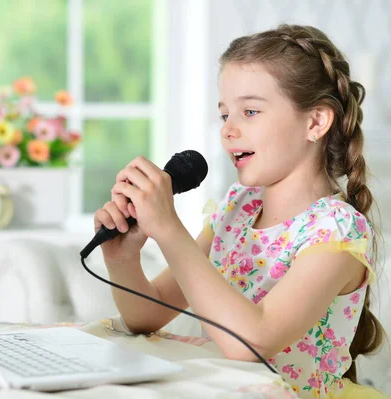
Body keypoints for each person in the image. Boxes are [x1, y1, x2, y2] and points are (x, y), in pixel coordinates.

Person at [94, 24, 388, 399]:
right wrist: (123, 259)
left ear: (315, 122)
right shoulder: (237, 209)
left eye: (250, 111)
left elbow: (252, 342)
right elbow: (146, 316)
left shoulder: (338, 231)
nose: (228, 130)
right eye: (224, 115)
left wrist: (169, 229)